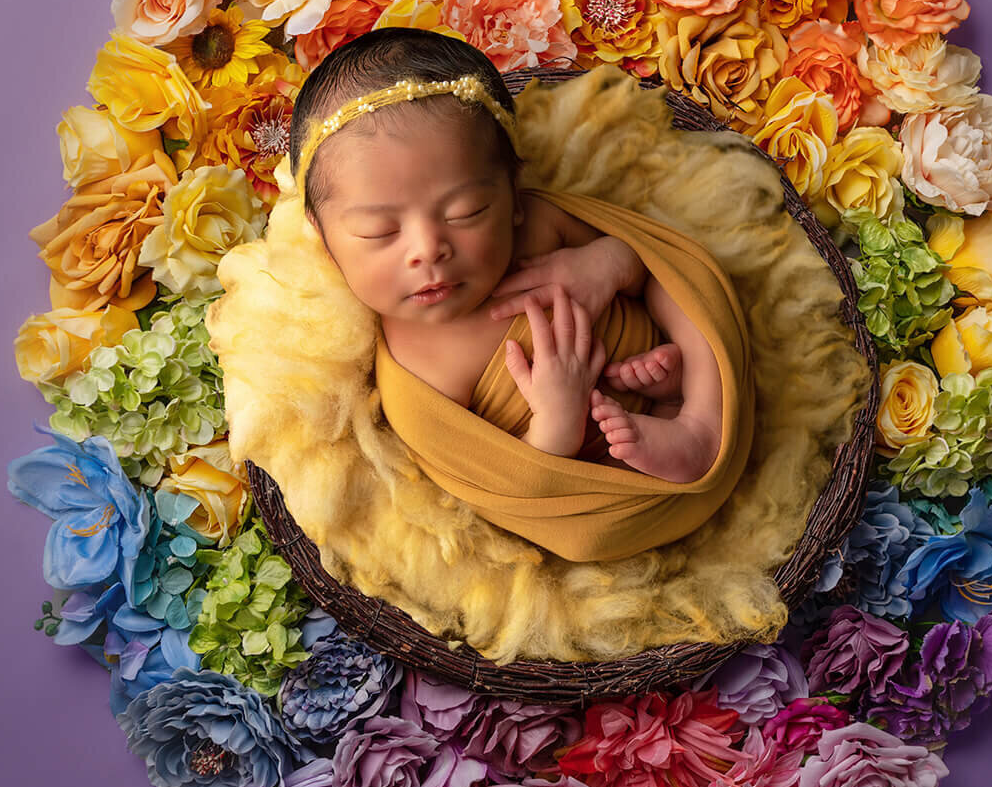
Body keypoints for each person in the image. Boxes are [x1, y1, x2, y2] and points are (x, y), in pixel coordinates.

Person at [289, 28, 725, 484]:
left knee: (688, 286)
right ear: (323, 238)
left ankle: (700, 416)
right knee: (598, 474)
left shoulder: (537, 226)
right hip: (597, 466)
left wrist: (608, 264)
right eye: (380, 231)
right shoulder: (414, 378)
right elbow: (504, 489)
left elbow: (653, 260)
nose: (427, 250)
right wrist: (557, 425)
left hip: (664, 361)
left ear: (513, 196)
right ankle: (665, 445)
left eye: (466, 212)